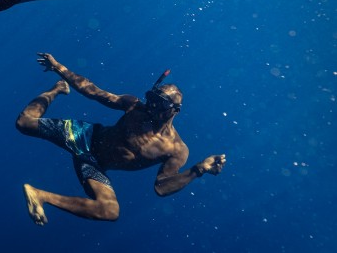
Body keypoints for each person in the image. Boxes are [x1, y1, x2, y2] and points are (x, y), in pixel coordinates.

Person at [16, 52, 226, 223]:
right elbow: (94, 92)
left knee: (109, 211)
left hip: (93, 164)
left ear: (175, 110)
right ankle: (56, 90)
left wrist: (199, 169)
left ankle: (40, 196)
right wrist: (59, 68)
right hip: (83, 136)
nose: (151, 106)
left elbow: (162, 187)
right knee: (24, 123)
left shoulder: (176, 150)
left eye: (159, 104)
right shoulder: (135, 106)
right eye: (151, 98)